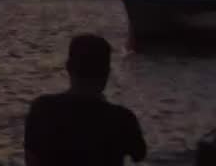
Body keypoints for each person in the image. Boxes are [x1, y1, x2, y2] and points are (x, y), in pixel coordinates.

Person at [24, 34, 147, 165]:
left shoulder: (43, 110)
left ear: (68, 67)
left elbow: (31, 160)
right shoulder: (122, 119)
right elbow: (138, 155)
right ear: (107, 72)